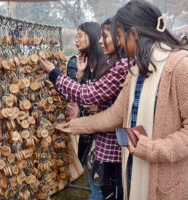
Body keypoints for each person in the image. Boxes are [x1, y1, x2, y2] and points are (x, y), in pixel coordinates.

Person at [60, 1, 188, 200]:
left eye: (118, 36)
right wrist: (76, 125)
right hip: (135, 172)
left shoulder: (182, 68)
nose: (118, 43)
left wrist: (150, 149)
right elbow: (115, 115)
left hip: (169, 185)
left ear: (133, 33)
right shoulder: (136, 70)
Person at [40, 19, 132, 200]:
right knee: (102, 188)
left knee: (106, 192)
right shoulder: (90, 61)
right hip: (97, 136)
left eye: (80, 35)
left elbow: (87, 94)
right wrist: (81, 76)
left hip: (109, 141)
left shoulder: (118, 65)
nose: (99, 40)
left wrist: (54, 73)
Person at [65, 21, 105, 200]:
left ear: (93, 36)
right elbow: (80, 97)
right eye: (76, 36)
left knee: (100, 188)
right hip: (88, 133)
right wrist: (80, 75)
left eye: (80, 35)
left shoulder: (105, 64)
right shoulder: (80, 63)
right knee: (94, 182)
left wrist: (102, 107)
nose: (76, 40)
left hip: (103, 134)